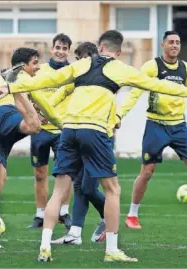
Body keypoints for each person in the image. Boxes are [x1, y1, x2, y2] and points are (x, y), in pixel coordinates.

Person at [0, 30, 187, 263]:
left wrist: (11, 87)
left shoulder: (81, 65)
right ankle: (112, 250)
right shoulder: (120, 68)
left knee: (60, 191)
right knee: (112, 190)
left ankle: (44, 246)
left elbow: (50, 79)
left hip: (69, 130)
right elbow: (159, 85)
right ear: (119, 52)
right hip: (94, 130)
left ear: (100, 47)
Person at [117, 30, 187, 229]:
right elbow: (134, 93)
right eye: (171, 42)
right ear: (163, 45)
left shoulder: (185, 68)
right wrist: (120, 114)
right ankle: (132, 215)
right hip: (156, 125)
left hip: (179, 126)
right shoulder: (152, 66)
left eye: (178, 42)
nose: (175, 45)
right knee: (147, 171)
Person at [0, 47, 61, 249]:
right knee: (35, 125)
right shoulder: (26, 79)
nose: (37, 68)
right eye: (35, 63)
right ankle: (17, 93)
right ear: (23, 66)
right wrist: (61, 125)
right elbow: (45, 105)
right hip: (6, 114)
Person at [51, 41, 109, 245]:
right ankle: (75, 233)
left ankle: (108, 218)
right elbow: (62, 91)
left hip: (100, 135)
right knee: (80, 185)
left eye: (81, 58)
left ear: (91, 56)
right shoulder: (78, 76)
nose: (79, 63)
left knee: (89, 187)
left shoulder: (106, 74)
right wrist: (43, 108)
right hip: (80, 132)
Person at [27, 33, 73, 230]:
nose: (60, 51)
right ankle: (39, 215)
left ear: (68, 51)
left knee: (66, 174)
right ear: (51, 49)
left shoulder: (74, 71)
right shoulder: (40, 71)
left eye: (64, 48)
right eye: (58, 47)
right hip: (40, 130)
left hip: (64, 129)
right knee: (40, 173)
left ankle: (63, 212)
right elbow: (28, 92)